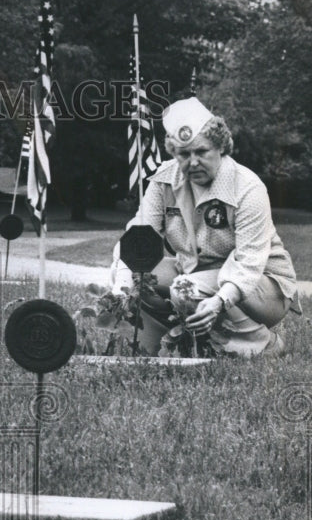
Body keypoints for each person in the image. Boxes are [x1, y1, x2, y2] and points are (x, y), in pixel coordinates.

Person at [112, 97, 301, 356]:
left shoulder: (248, 187)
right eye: (184, 154)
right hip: (194, 273)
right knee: (134, 273)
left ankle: (262, 344)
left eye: (201, 152)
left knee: (184, 289)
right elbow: (138, 238)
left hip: (263, 286)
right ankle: (154, 343)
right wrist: (121, 287)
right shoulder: (163, 181)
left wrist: (218, 302)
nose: (193, 162)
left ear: (220, 147)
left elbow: (249, 263)